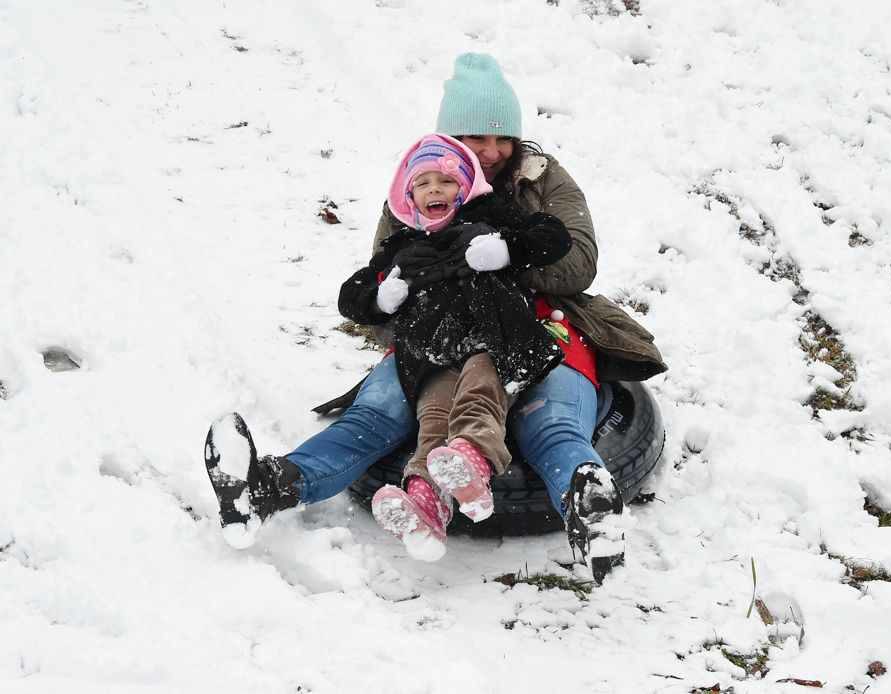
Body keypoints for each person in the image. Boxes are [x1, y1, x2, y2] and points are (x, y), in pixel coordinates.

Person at [203, 53, 667, 582]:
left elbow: (576, 259)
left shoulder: (542, 181)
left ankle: (591, 514)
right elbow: (381, 277)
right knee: (376, 416)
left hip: (536, 320)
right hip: (439, 334)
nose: (492, 151)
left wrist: (506, 257)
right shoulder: (424, 185)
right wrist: (396, 302)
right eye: (475, 138)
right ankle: (265, 488)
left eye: (502, 139)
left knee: (550, 419)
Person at [337, 133, 572, 561]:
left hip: (494, 335)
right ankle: (428, 503)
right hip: (435, 351)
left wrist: (507, 249)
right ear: (410, 198)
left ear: (464, 188)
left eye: (445, 182)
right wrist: (379, 298)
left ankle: (474, 461)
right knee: (434, 415)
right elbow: (349, 296)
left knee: (479, 393)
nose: (434, 191)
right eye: (423, 185)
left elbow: (553, 237)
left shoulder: (491, 217)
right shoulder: (401, 245)